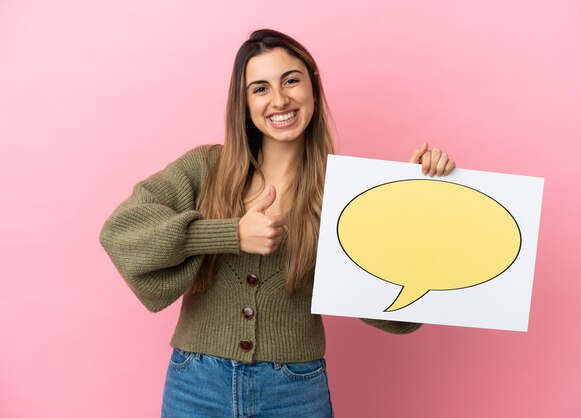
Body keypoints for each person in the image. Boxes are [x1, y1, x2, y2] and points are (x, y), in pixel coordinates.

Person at [99, 28, 455, 418]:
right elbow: (122, 233)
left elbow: (402, 319)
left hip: (295, 390)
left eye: (291, 80)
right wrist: (229, 233)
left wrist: (416, 208)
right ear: (245, 103)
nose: (280, 99)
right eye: (260, 88)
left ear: (313, 89)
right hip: (195, 383)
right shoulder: (205, 167)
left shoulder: (345, 193)